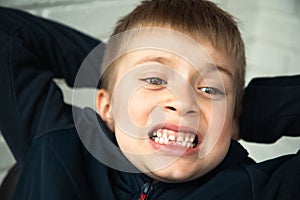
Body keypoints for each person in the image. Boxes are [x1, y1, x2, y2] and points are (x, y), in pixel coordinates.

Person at [0, 1, 299, 200]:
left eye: (210, 89)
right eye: (155, 79)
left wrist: (250, 110)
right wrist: (115, 68)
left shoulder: (258, 190)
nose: (183, 103)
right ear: (106, 108)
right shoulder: (56, 144)